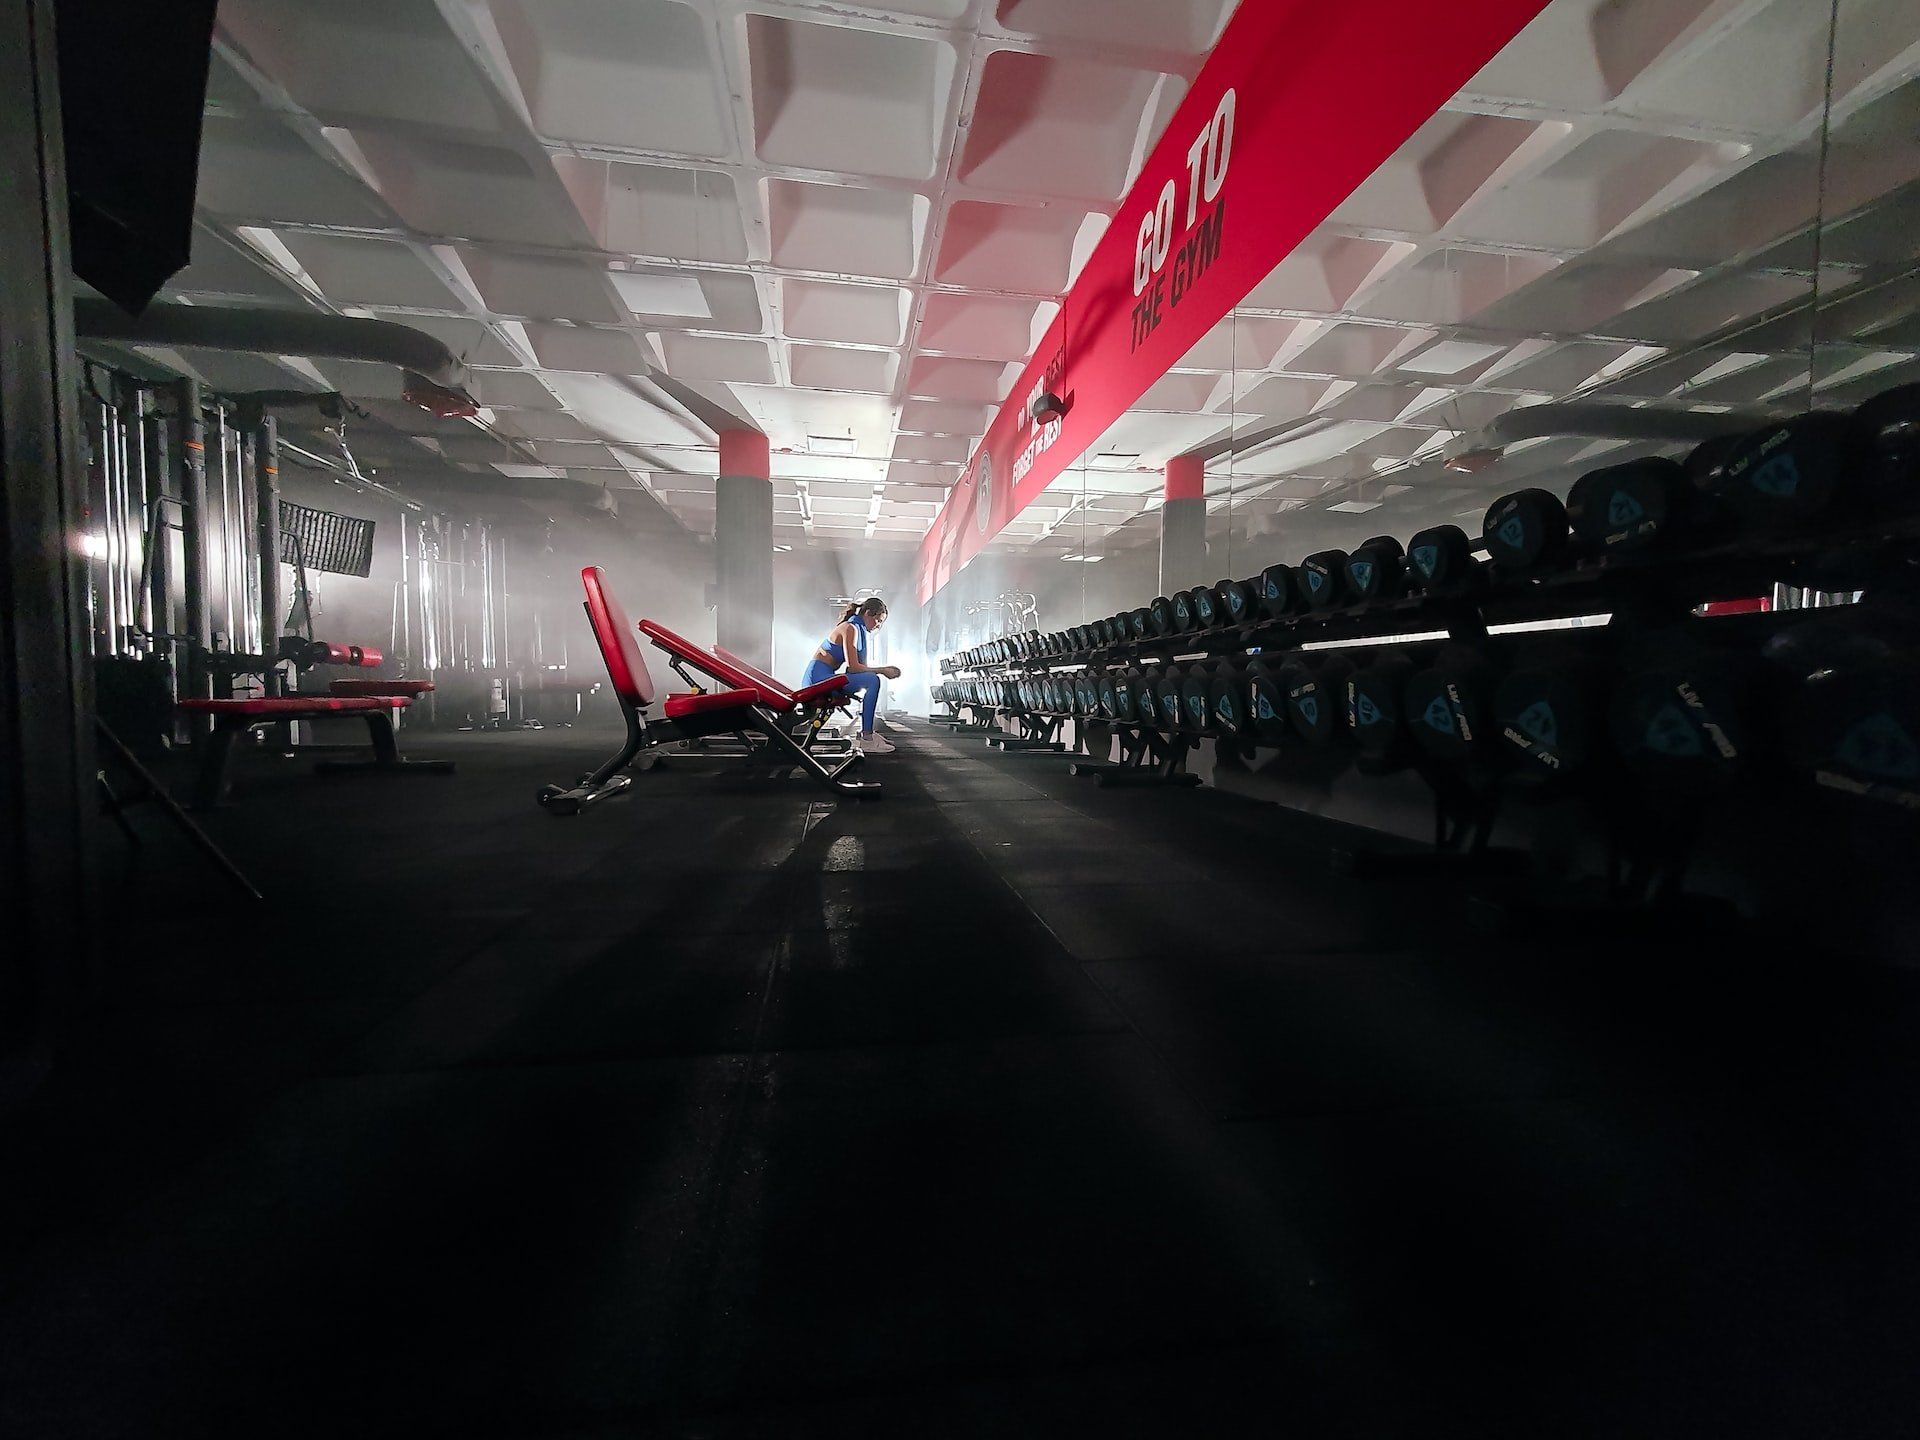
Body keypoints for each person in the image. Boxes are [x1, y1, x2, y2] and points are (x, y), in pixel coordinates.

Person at [803, 597, 900, 754]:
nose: (879, 626)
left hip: (825, 676)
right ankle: (867, 738)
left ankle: (868, 734)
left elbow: (855, 670)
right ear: (868, 613)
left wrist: (882, 670)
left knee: (870, 679)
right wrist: (883, 670)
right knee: (873, 680)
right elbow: (854, 668)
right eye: (879, 620)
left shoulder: (858, 629)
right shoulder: (850, 628)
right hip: (816, 679)